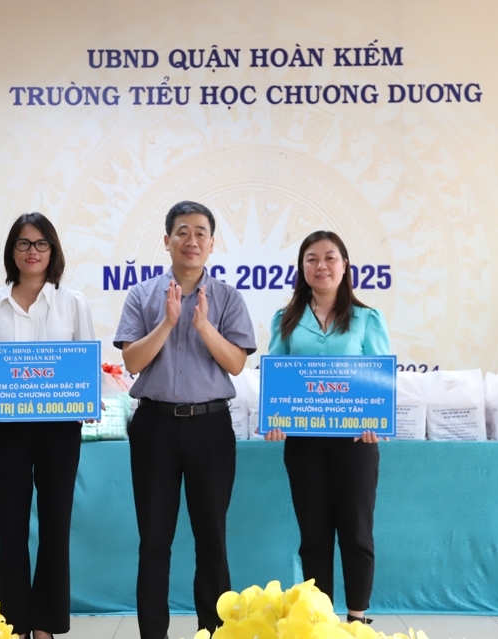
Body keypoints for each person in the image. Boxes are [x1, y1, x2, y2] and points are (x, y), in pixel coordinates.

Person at [114, 200, 257, 639]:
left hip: (209, 428)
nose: (191, 240)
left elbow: (236, 363)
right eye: (182, 232)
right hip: (154, 427)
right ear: (167, 241)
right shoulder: (142, 295)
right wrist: (167, 323)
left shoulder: (228, 298)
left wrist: (203, 327)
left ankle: (213, 631)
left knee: (212, 539)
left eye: (200, 233)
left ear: (211, 243)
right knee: (154, 541)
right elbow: (132, 361)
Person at [0, 212, 95, 639]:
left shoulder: (73, 303)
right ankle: (13, 624)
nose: (32, 251)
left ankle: (46, 625)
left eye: (41, 243)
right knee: (11, 525)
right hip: (7, 429)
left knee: (56, 525)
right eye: (23, 243)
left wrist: (87, 395)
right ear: (12, 251)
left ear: (52, 251)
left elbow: (85, 363)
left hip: (60, 428)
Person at [264, 230, 391, 626]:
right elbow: (277, 375)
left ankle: (356, 619)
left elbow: (379, 378)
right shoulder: (284, 320)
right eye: (312, 259)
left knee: (356, 533)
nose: (321, 266)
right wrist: (275, 418)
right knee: (314, 536)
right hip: (304, 444)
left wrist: (375, 420)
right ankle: (320, 620)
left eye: (330, 258)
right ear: (302, 268)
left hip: (355, 443)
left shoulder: (367, 319)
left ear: (345, 266)